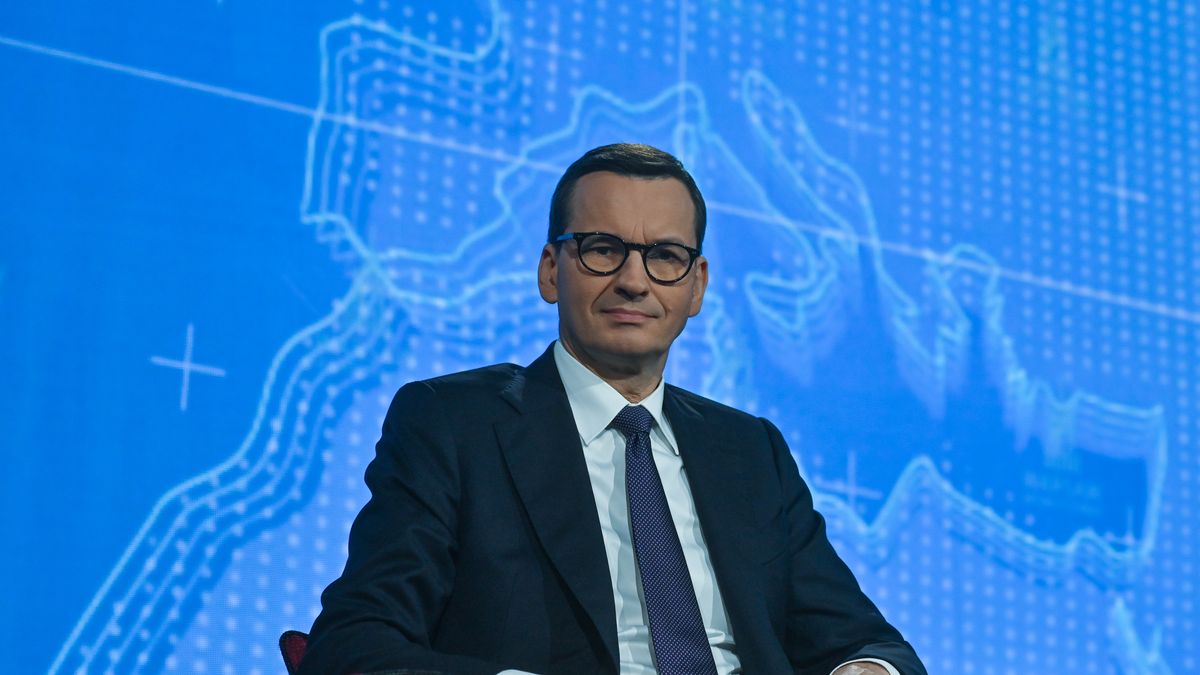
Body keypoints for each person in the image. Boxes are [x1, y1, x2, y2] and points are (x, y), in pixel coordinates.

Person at [299, 144, 926, 675]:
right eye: (603, 248)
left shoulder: (750, 452)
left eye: (666, 257)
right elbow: (356, 643)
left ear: (697, 285)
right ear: (551, 271)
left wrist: (866, 670)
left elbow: (866, 640)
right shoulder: (454, 422)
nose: (634, 280)